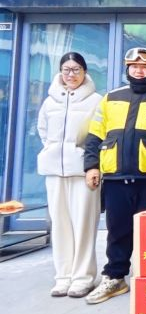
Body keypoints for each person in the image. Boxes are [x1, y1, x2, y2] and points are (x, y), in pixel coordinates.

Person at [83, 48, 146, 305]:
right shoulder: (111, 98)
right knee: (118, 230)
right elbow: (95, 134)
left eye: (144, 66)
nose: (138, 70)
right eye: (134, 66)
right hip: (116, 178)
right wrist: (91, 166)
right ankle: (115, 278)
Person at [37, 52, 102, 298]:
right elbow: (43, 130)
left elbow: (99, 134)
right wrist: (52, 151)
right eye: (66, 70)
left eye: (76, 70)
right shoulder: (49, 101)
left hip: (83, 171)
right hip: (54, 171)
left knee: (84, 225)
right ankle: (63, 276)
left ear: (85, 72)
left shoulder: (96, 101)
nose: (71, 74)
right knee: (60, 224)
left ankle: (83, 277)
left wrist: (90, 162)